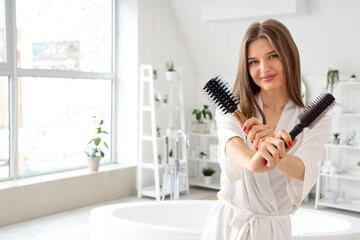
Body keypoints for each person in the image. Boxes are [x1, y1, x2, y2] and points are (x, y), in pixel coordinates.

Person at [201, 19, 330, 240]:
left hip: (272, 231)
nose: (263, 69)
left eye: (273, 56)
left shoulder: (314, 119)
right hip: (227, 226)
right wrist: (253, 160)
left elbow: (305, 168)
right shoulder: (234, 109)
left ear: (289, 56)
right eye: (253, 61)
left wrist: (276, 155)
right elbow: (230, 143)